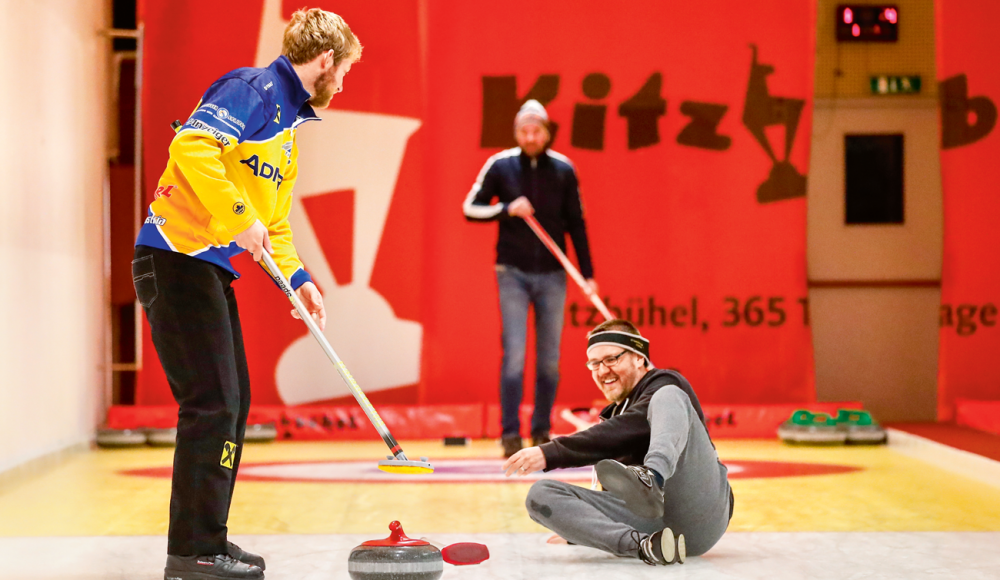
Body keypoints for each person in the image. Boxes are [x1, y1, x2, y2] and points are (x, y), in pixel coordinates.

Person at [132, 9, 361, 580]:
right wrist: (237, 216)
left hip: (209, 270)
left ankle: (211, 539)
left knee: (232, 406)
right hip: (174, 259)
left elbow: (273, 226)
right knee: (210, 404)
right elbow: (192, 146)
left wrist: (302, 279)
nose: (345, 83)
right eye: (347, 69)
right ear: (326, 60)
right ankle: (190, 554)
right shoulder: (253, 88)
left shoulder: (286, 129)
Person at [503, 320, 733, 566]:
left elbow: (629, 427)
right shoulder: (611, 419)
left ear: (639, 358)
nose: (602, 371)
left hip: (701, 510)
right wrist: (584, 530)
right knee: (540, 494)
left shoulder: (665, 382)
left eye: (612, 359)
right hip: (652, 527)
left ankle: (652, 476)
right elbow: (615, 457)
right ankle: (642, 547)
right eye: (595, 364)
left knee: (667, 395)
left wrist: (552, 452)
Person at [463, 100, 597, 458]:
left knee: (550, 359)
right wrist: (506, 209)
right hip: (513, 273)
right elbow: (470, 208)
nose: (530, 136)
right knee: (515, 356)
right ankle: (509, 434)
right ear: (516, 132)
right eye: (524, 130)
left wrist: (588, 275)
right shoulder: (501, 166)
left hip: (554, 273)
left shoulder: (563, 170)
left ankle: (540, 431)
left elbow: (577, 225)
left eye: (537, 130)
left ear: (547, 132)